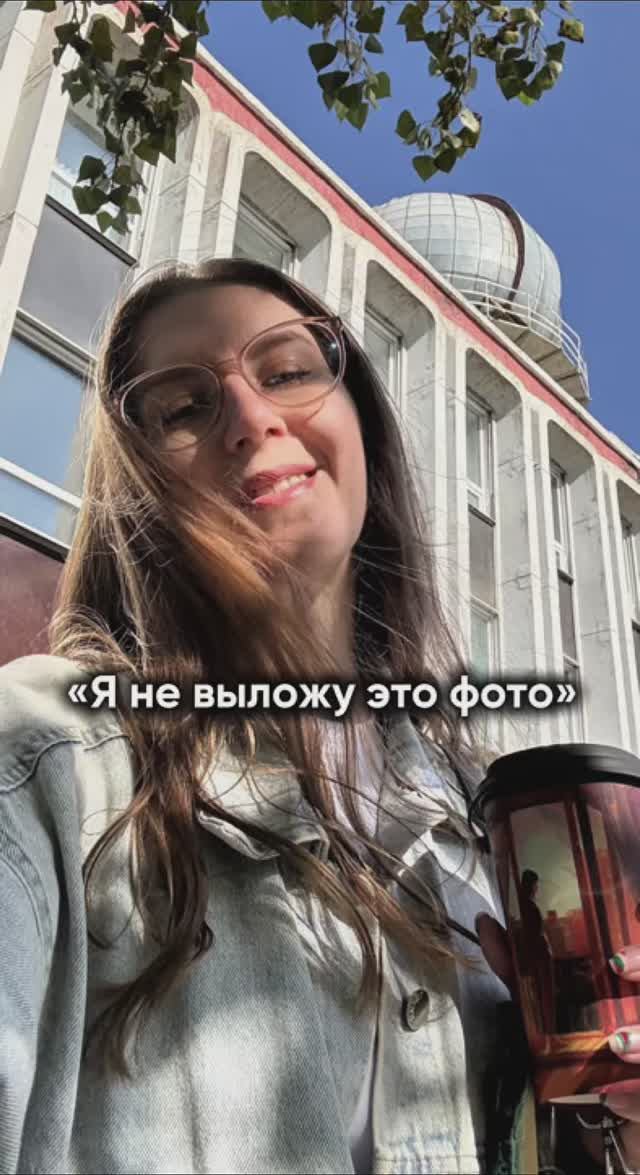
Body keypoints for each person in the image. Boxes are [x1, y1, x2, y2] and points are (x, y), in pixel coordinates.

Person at [0, 257, 639, 1175]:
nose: (251, 417)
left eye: (290, 370)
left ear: (361, 420)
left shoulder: (496, 834)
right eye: (182, 408)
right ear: (138, 486)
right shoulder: (48, 756)